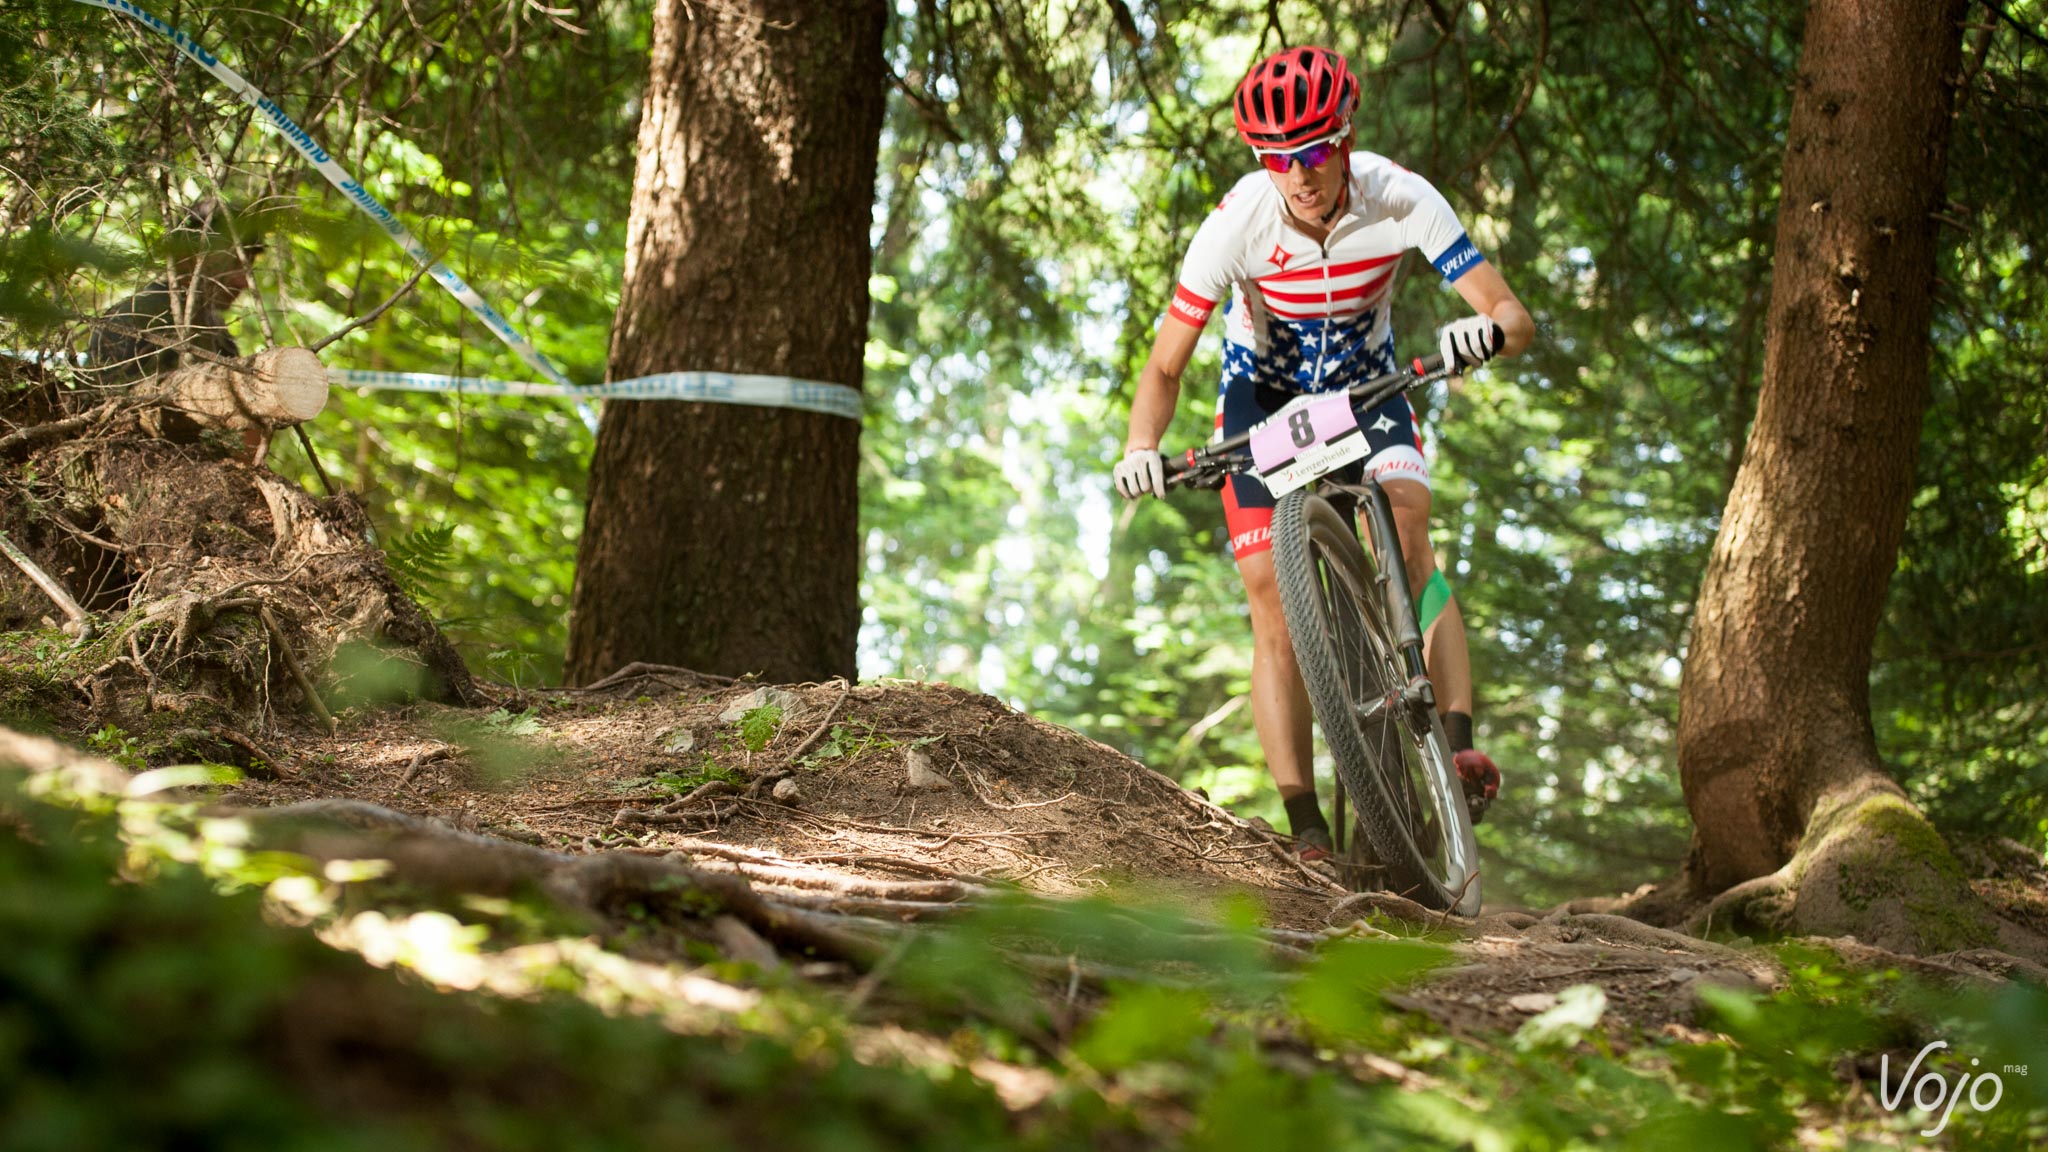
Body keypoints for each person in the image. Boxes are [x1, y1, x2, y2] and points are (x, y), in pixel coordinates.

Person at [1112, 46, 1534, 861]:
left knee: (1408, 533)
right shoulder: (1237, 222)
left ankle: (1454, 738)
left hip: (1365, 387)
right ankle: (1305, 821)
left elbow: (1512, 315)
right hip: (1261, 403)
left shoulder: (1399, 196)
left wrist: (1487, 331)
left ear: (1345, 138)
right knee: (1270, 605)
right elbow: (1165, 365)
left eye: (1313, 151)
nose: (1298, 175)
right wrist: (1142, 445)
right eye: (1276, 158)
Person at [85, 199, 269, 457]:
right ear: (191, 255)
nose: (244, 281)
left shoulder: (218, 332)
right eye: (235, 263)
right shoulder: (135, 316)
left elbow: (245, 435)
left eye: (249, 266)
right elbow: (97, 419)